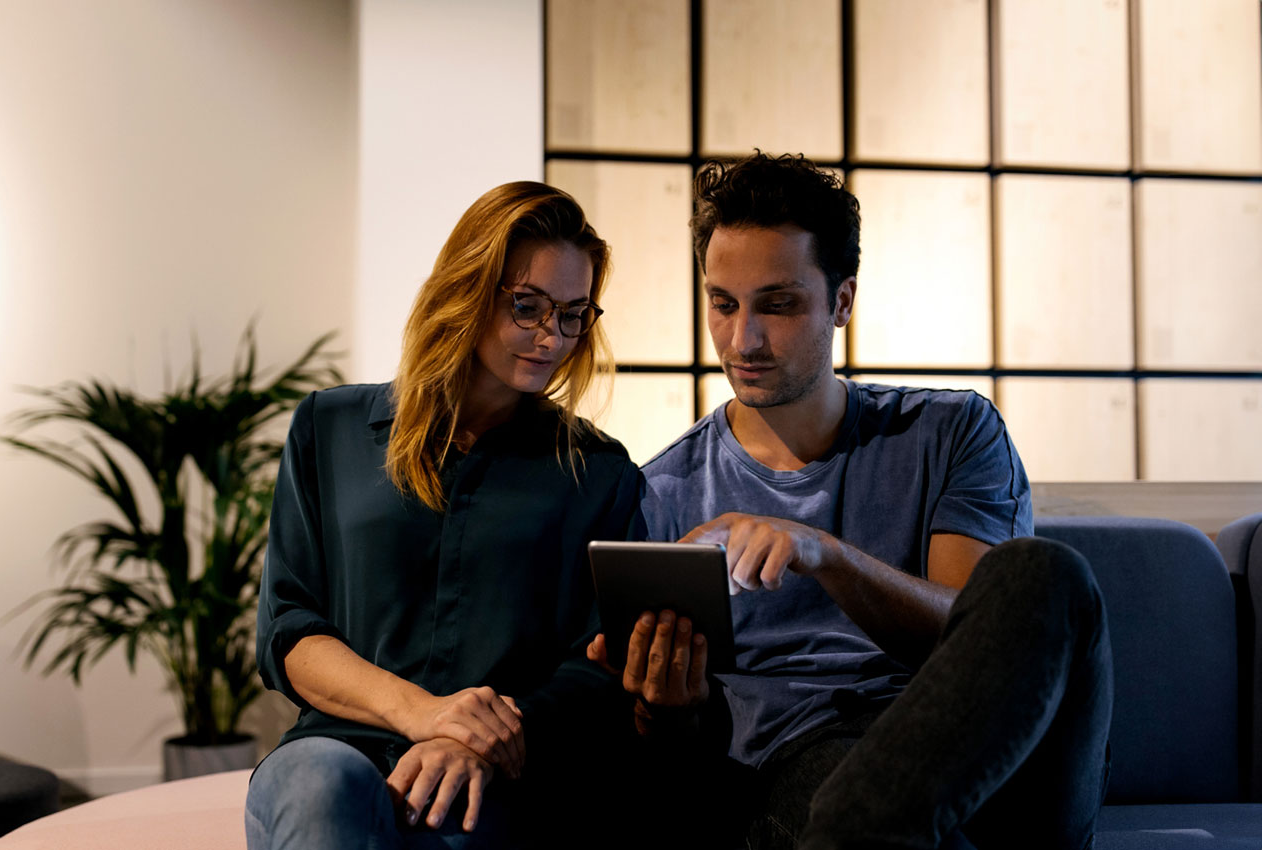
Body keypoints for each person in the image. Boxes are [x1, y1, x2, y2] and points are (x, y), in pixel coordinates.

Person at [590, 152, 1114, 849]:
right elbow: (678, 754)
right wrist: (666, 709)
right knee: (834, 792)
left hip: (996, 761)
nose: (742, 339)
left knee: (1043, 575)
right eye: (723, 304)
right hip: (802, 770)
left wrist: (824, 555)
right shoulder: (663, 493)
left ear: (842, 302)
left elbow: (971, 635)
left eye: (777, 304)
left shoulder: (951, 432)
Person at [244, 181, 644, 850]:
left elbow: (599, 664)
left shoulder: (597, 472)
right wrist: (426, 715)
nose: (553, 336)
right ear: (467, 289)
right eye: (528, 306)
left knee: (455, 821)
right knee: (321, 791)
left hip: (498, 766)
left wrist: (482, 739)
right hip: (335, 749)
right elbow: (288, 633)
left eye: (574, 313)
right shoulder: (330, 428)